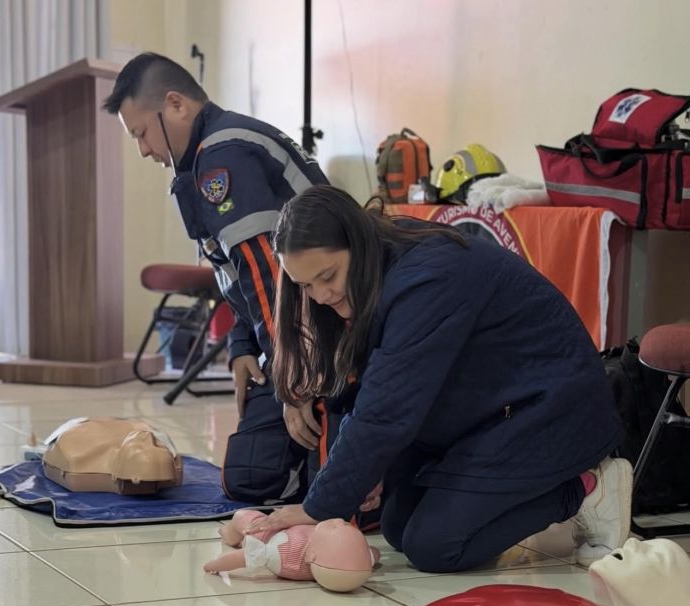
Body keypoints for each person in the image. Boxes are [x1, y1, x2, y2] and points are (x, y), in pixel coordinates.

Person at [244, 184, 632, 573]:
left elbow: (386, 409)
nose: (320, 295)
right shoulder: (375, 265)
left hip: (550, 410)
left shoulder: (427, 277)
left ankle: (585, 488)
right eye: (306, 285)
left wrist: (318, 507)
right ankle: (499, 504)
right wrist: (355, 479)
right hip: (489, 409)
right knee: (398, 529)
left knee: (435, 547)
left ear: (356, 243)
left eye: (327, 276)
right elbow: (366, 392)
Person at [101, 52, 329, 501]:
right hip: (290, 336)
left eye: (142, 133)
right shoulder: (204, 157)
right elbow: (237, 272)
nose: (144, 149)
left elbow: (269, 275)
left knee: (291, 481)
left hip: (322, 336)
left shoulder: (224, 154)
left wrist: (292, 380)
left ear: (176, 105)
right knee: (247, 478)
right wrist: (243, 346)